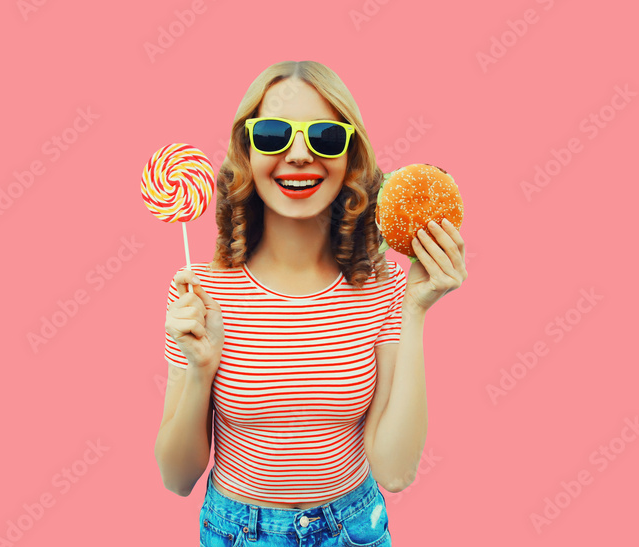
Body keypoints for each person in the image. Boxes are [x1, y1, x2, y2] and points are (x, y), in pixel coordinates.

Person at [155, 60, 467, 546]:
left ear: (349, 156)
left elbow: (395, 471)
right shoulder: (200, 293)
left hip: (354, 528)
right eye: (274, 134)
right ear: (247, 149)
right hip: (240, 531)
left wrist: (416, 308)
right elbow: (177, 478)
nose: (299, 154)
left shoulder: (381, 287)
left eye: (324, 137)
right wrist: (199, 370)